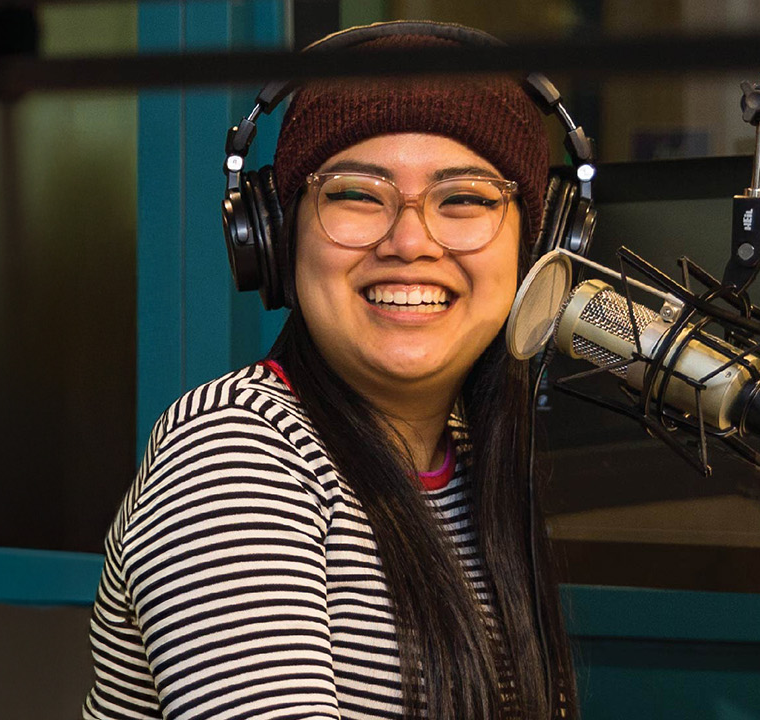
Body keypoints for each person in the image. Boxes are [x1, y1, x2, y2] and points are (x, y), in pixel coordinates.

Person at [82, 25, 575, 720]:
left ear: (539, 245)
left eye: (464, 199)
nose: (410, 241)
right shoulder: (233, 454)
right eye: (356, 195)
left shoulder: (473, 464)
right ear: (278, 236)